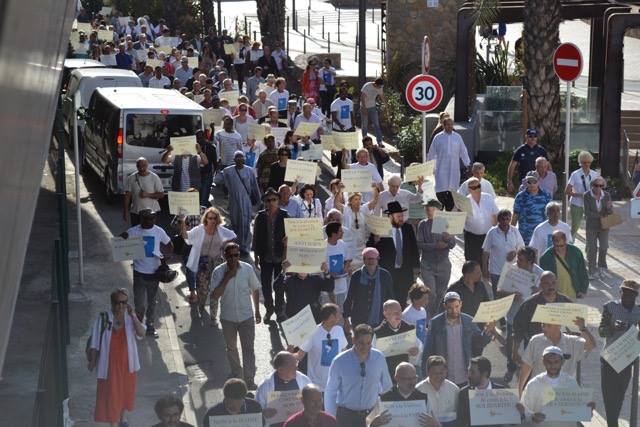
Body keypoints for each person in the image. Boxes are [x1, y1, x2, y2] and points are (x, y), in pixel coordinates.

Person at [87, 289, 145, 426]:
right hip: (110, 365)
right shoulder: (103, 318)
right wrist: (92, 361)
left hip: (127, 364)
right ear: (112, 303)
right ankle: (114, 423)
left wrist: (134, 316)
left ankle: (121, 418)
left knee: (125, 392)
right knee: (113, 394)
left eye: (124, 302)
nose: (121, 306)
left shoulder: (130, 318)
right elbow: (95, 342)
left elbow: (141, 333)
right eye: (118, 302)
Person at [211, 242, 262, 389]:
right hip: (228, 318)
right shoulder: (218, 272)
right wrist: (227, 277)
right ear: (224, 256)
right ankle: (237, 375)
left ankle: (249, 379)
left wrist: (257, 311)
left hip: (246, 317)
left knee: (248, 349)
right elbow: (215, 295)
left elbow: (255, 289)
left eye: (236, 255)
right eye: (230, 255)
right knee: (232, 348)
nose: (233, 258)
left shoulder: (247, 269)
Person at [324, 324, 393, 426]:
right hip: (346, 416)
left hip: (371, 416)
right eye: (361, 343)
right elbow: (330, 392)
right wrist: (331, 420)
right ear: (353, 340)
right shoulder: (339, 361)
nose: (365, 347)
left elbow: (386, 387)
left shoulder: (379, 358)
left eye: (369, 343)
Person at [422, 292, 496, 386]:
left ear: (461, 304)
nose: (454, 310)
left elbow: (480, 342)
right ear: (444, 306)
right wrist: (425, 376)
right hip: (443, 377)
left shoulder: (469, 321)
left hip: (465, 376)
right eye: (450, 308)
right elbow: (427, 351)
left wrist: (487, 332)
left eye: (456, 307)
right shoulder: (435, 323)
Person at [119, 209, 172, 337]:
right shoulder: (133, 231)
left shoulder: (159, 231)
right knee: (139, 304)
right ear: (141, 219)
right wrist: (122, 238)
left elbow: (169, 244)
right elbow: (120, 242)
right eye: (145, 219)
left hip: (154, 274)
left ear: (155, 219)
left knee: (152, 302)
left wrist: (166, 257)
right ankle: (138, 324)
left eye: (151, 219)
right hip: (139, 273)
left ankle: (150, 325)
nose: (148, 221)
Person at [178, 206, 236, 323]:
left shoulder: (221, 230)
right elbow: (185, 236)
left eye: (215, 218)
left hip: (217, 263)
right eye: (210, 218)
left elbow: (233, 236)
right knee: (203, 289)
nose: (212, 220)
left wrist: (224, 244)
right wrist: (183, 221)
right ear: (206, 219)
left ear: (218, 219)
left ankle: (213, 317)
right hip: (203, 263)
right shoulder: (200, 229)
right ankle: (201, 305)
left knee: (215, 290)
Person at [518, 346, 595, 427]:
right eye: (549, 362)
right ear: (543, 361)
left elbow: (581, 411)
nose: (552, 365)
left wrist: (588, 410)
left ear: (562, 362)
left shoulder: (571, 383)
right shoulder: (534, 384)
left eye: (556, 362)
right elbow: (523, 409)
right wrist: (532, 416)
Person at [598, 280, 640, 427]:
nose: (626, 296)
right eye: (624, 292)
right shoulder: (610, 307)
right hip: (609, 357)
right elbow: (601, 331)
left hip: (626, 359)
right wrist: (612, 328)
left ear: (635, 295)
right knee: (608, 395)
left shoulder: (638, 311)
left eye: (630, 294)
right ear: (620, 292)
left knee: (619, 395)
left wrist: (634, 331)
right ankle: (612, 423)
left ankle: (613, 422)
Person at [500, 246, 543, 383]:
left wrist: (539, 291)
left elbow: (547, 294)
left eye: (521, 260)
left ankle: (527, 374)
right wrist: (512, 295)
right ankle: (511, 367)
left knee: (529, 346)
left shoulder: (540, 274)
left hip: (532, 318)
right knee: (511, 343)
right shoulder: (511, 270)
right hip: (513, 315)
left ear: (530, 262)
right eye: (517, 259)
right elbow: (500, 290)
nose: (517, 262)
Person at [518, 318, 595, 394]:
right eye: (543, 325)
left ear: (558, 325)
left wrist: (582, 328)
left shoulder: (572, 342)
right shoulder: (535, 341)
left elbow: (591, 345)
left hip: (564, 395)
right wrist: (520, 392)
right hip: (539, 394)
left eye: (548, 325)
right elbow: (526, 368)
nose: (544, 328)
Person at [368, 201, 419, 308]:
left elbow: (414, 249)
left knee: (402, 301)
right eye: (398, 216)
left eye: (402, 216)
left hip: (404, 272)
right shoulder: (380, 229)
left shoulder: (408, 228)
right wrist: (375, 241)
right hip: (388, 272)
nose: (401, 218)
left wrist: (416, 268)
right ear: (390, 216)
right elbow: (370, 249)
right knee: (388, 301)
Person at [512, 271, 572, 357]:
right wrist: (515, 352)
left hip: (561, 349)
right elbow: (518, 329)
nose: (551, 286)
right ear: (540, 285)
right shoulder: (529, 304)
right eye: (547, 283)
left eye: (553, 283)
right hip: (535, 349)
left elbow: (575, 328)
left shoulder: (566, 302)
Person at [253, 188, 289, 323]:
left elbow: (292, 234)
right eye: (268, 200)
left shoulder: (285, 215)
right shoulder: (260, 217)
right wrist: (256, 256)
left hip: (281, 257)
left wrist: (289, 239)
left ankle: (280, 311)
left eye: (274, 199)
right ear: (265, 203)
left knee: (279, 286)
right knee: (266, 287)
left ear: (278, 201)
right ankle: (269, 310)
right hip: (266, 257)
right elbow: (255, 237)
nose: (271, 202)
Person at [295, 304, 348, 391]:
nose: (341, 316)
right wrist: (287, 354)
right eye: (339, 314)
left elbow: (344, 353)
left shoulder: (339, 330)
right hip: (316, 386)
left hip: (336, 384)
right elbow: (300, 355)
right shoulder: (312, 332)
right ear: (332, 317)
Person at [417, 199, 456, 315]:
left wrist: (448, 240)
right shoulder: (423, 224)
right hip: (427, 264)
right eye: (426, 208)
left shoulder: (445, 223)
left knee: (440, 293)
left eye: (430, 208)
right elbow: (420, 244)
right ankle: (427, 315)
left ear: (437, 210)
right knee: (431, 293)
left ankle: (435, 315)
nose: (427, 211)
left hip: (443, 264)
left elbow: (453, 244)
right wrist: (435, 245)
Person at [343, 248, 395, 332]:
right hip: (359, 319)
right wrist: (346, 319)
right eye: (368, 259)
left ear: (377, 259)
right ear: (364, 260)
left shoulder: (385, 275)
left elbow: (391, 298)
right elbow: (349, 297)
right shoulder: (356, 275)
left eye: (373, 258)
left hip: (380, 320)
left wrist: (392, 315)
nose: (371, 261)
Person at [427, 115, 471, 211]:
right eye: (448, 125)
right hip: (441, 171)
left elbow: (463, 151)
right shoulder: (438, 138)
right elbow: (431, 153)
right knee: (440, 193)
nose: (450, 126)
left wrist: (467, 164)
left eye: (451, 124)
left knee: (452, 194)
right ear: (443, 125)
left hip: (454, 170)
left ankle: (449, 214)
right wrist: (428, 167)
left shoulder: (457, 137)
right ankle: (440, 214)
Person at [369, 363, 436, 427]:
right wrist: (374, 424)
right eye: (408, 379)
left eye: (414, 378)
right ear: (396, 378)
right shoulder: (383, 399)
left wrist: (433, 424)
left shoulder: (424, 399)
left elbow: (436, 424)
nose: (412, 382)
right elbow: (370, 424)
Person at [256, 352, 312, 427]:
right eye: (292, 366)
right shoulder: (264, 386)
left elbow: (313, 403)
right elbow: (257, 411)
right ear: (280, 369)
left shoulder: (304, 380)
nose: (296, 368)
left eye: (296, 364)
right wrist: (264, 413)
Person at [222, 151, 260, 255]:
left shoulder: (249, 171)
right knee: (235, 222)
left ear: (244, 159)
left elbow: (254, 186)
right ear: (234, 160)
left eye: (241, 157)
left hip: (246, 201)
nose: (239, 159)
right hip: (234, 201)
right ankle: (236, 244)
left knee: (245, 223)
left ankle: (244, 246)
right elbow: (219, 181)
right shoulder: (228, 171)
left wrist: (259, 200)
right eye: (237, 157)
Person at [374, 300, 421, 379]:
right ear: (386, 314)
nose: (399, 315)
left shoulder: (409, 329)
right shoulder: (377, 333)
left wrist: (416, 352)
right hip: (385, 375)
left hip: (405, 375)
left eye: (400, 311)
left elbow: (418, 350)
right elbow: (373, 357)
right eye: (395, 312)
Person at [457, 357, 509, 427]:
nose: (468, 375)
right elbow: (461, 422)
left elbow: (512, 420)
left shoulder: (501, 392)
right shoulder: (464, 393)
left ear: (485, 373)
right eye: (468, 371)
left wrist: (519, 411)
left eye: (472, 372)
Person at [481, 209, 524, 293]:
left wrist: (515, 253)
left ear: (510, 219)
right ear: (498, 220)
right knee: (497, 296)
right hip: (496, 271)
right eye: (502, 219)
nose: (505, 221)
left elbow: (522, 248)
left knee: (512, 295)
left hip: (512, 271)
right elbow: (485, 252)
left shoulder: (515, 231)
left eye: (507, 219)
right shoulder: (492, 232)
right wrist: (485, 269)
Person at [539, 230, 589, 299]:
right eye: (556, 246)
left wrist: (583, 290)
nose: (559, 248)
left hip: (573, 294)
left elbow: (582, 271)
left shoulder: (576, 252)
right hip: (554, 296)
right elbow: (543, 279)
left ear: (565, 241)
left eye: (562, 246)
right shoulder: (546, 257)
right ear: (553, 243)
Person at [416, 356, 460, 426]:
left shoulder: (454, 389)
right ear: (428, 372)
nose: (438, 376)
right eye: (435, 373)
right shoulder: (419, 389)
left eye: (441, 372)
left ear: (446, 371)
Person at [583, 176, 613, 279]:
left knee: (604, 247)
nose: (598, 187)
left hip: (604, 225)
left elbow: (610, 212)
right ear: (592, 185)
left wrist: (609, 208)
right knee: (592, 249)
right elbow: (587, 212)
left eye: (601, 185)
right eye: (596, 185)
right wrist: (601, 215)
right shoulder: (587, 195)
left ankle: (602, 268)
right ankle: (591, 270)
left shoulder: (607, 195)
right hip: (591, 226)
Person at [463, 178, 499, 263]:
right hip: (471, 238)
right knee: (473, 262)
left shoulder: (488, 197)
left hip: (487, 236)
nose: (477, 189)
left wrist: (496, 232)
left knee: (487, 261)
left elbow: (495, 215)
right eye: (474, 187)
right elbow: (460, 220)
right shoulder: (465, 201)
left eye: (478, 186)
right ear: (469, 190)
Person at [566, 150, 599, 239]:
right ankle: (570, 243)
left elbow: (599, 189)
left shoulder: (594, 174)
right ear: (580, 163)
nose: (587, 164)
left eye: (589, 162)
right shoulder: (575, 174)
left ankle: (590, 245)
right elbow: (567, 191)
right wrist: (581, 195)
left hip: (590, 204)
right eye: (584, 162)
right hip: (577, 204)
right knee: (575, 227)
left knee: (591, 227)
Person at [512, 171, 552, 245]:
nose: (532, 184)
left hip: (541, 234)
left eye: (534, 182)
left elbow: (551, 214)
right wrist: (511, 232)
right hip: (525, 235)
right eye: (529, 182)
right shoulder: (520, 197)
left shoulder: (546, 195)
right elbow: (515, 215)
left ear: (538, 181)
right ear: (526, 182)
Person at [123, 157, 164, 225]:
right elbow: (127, 196)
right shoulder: (131, 178)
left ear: (147, 165)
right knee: (136, 231)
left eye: (143, 166)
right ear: (136, 166)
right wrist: (125, 212)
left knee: (150, 232)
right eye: (139, 166)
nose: (141, 168)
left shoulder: (154, 177)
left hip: (151, 213)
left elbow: (161, 194)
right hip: (136, 212)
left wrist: (148, 195)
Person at [506, 128, 547, 194]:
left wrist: (550, 178)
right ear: (526, 137)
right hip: (524, 181)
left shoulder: (541, 150)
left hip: (539, 181)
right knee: (523, 198)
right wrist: (509, 181)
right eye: (530, 136)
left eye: (535, 136)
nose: (533, 138)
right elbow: (512, 166)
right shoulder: (520, 150)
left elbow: (548, 165)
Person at [325, 222, 351, 309]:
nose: (343, 232)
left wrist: (346, 268)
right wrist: (329, 274)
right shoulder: (323, 247)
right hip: (328, 290)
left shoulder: (342, 244)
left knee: (341, 313)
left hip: (342, 287)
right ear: (333, 234)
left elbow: (348, 259)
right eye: (340, 231)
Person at [402, 283, 431, 351]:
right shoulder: (407, 314)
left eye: (427, 298)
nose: (427, 301)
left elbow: (423, 328)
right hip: (413, 348)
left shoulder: (423, 310)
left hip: (422, 345)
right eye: (424, 299)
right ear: (415, 300)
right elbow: (405, 335)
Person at [360, 78, 386, 146]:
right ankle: (365, 142)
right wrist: (364, 108)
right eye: (379, 86)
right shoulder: (367, 86)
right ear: (376, 84)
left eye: (381, 86)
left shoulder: (380, 87)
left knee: (376, 124)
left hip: (373, 107)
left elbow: (382, 96)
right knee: (365, 125)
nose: (380, 88)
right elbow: (362, 97)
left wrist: (387, 105)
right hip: (364, 107)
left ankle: (380, 142)